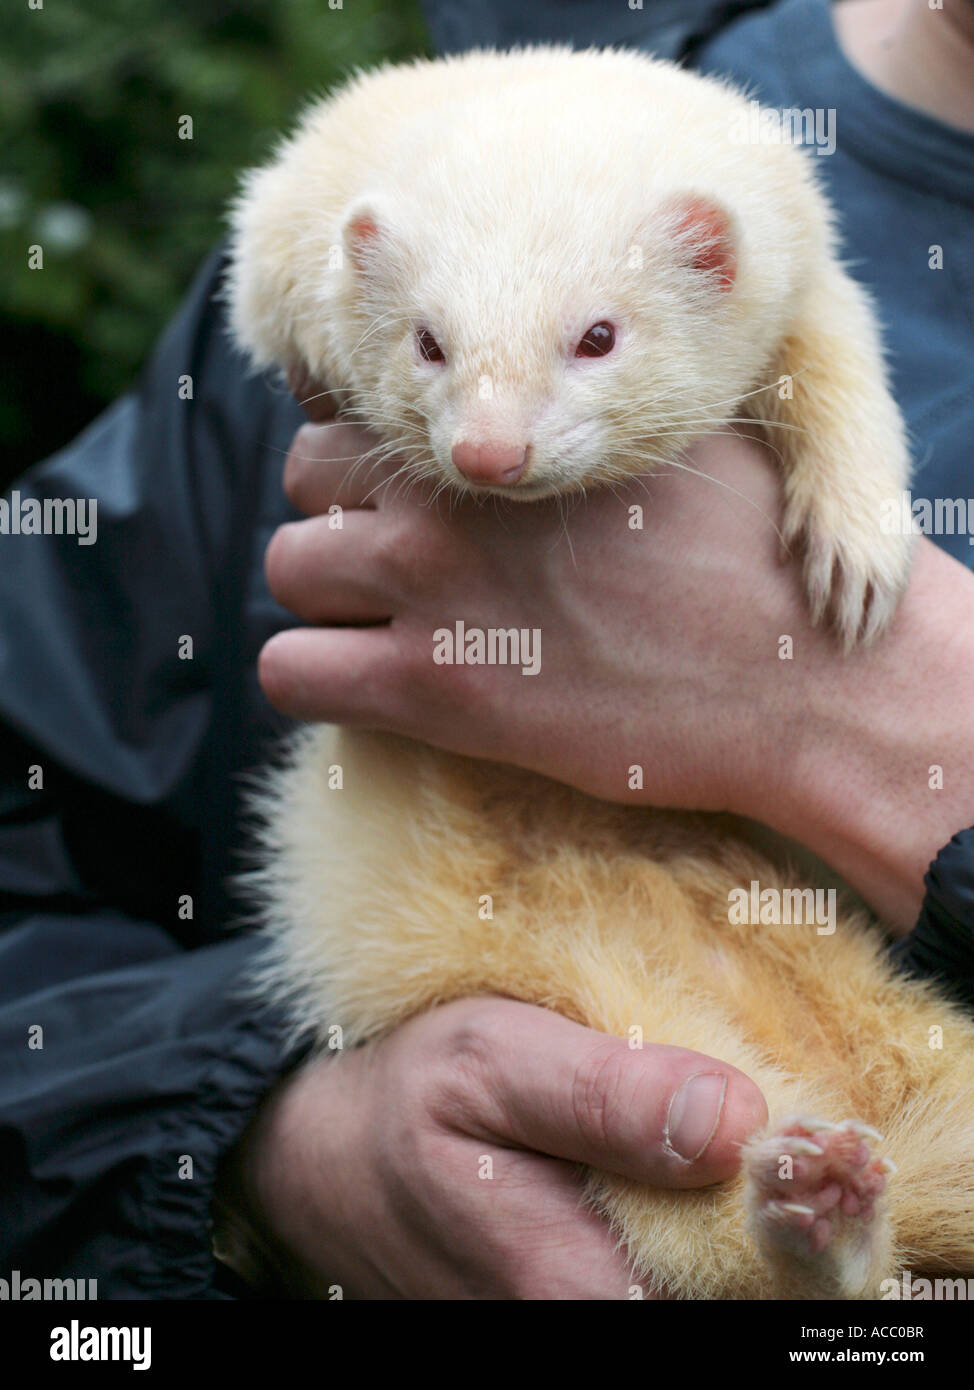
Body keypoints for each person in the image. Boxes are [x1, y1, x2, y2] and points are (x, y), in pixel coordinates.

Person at [1, 0, 972, 1299]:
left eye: (588, 347)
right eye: (437, 354)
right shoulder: (440, 175)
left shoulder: (729, 244)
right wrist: (261, 1147)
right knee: (681, 1133)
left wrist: (889, 719)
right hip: (531, 953)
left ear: (714, 270)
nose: (485, 446)